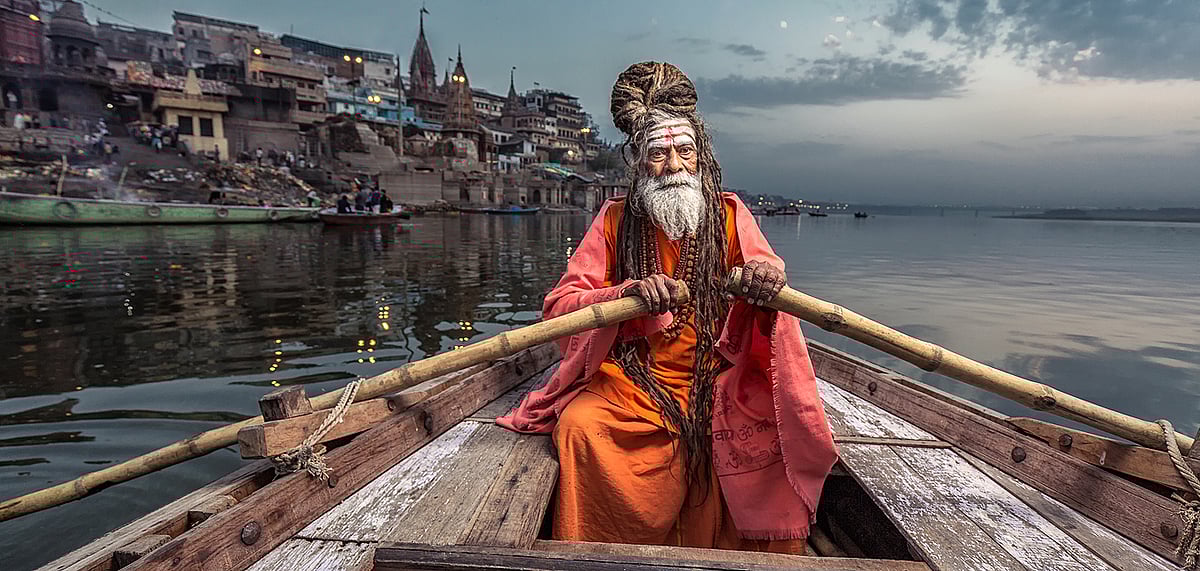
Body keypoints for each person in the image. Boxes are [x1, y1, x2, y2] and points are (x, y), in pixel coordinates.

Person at [498, 62, 837, 552]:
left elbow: (768, 268)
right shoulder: (616, 218)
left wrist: (768, 277)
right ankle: (602, 559)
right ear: (638, 162)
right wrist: (626, 295)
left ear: (701, 158)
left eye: (685, 151)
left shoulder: (729, 214)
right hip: (632, 383)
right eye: (659, 154)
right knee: (580, 428)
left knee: (770, 432)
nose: (674, 166)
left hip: (719, 378)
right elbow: (561, 307)